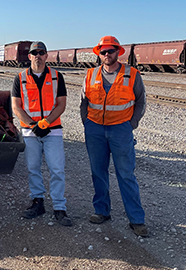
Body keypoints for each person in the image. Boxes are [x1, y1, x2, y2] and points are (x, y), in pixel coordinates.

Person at [80, 35, 148, 237]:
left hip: (120, 130)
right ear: (98, 54)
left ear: (118, 52)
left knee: (126, 174)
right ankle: (101, 211)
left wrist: (131, 124)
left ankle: (136, 220)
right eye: (103, 52)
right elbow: (83, 101)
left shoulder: (132, 74)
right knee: (98, 172)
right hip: (95, 130)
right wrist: (87, 123)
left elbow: (141, 102)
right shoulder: (91, 74)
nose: (107, 54)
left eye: (110, 51)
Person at [11, 41, 72, 226]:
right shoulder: (20, 78)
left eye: (41, 52)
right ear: (29, 56)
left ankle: (59, 207)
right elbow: (16, 106)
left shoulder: (56, 77)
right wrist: (32, 124)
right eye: (34, 53)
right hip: (30, 132)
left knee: (57, 169)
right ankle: (38, 202)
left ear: (46, 56)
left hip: (52, 129)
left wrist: (46, 122)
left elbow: (61, 104)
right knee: (33, 168)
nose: (38, 56)